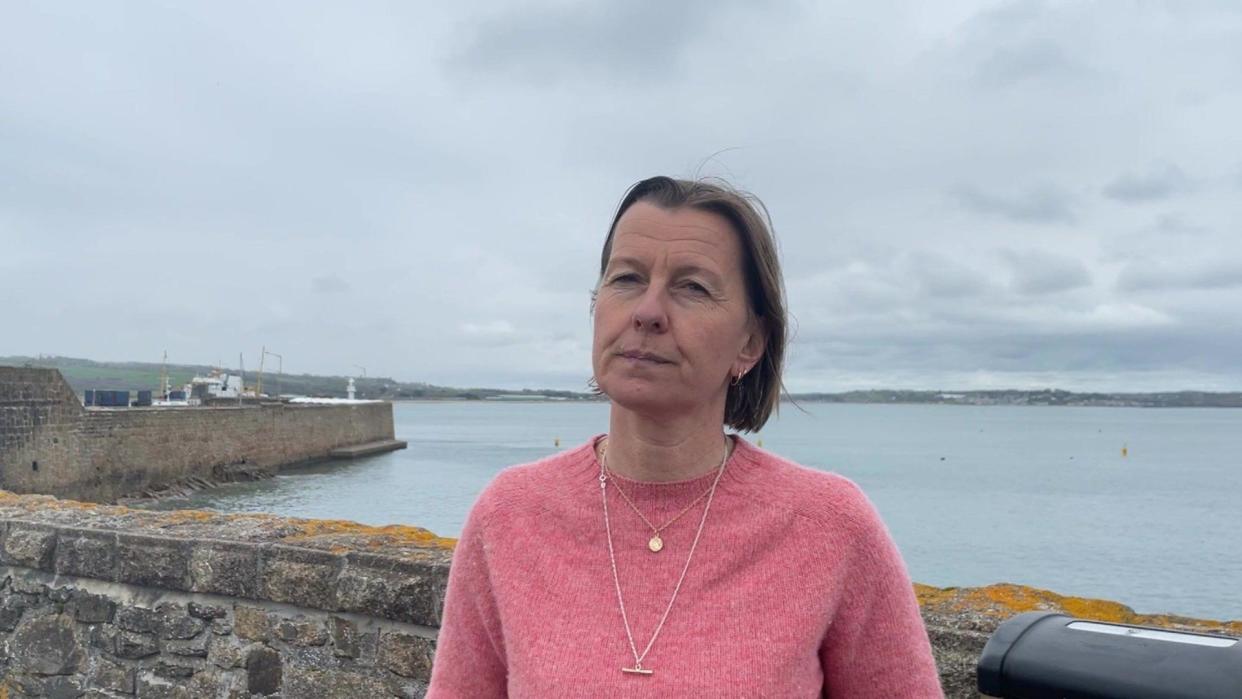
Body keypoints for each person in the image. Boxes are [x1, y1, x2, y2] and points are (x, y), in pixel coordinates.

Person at [428, 176, 942, 697]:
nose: (647, 312)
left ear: (750, 342)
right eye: (626, 278)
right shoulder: (510, 514)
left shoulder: (830, 526)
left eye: (692, 287)